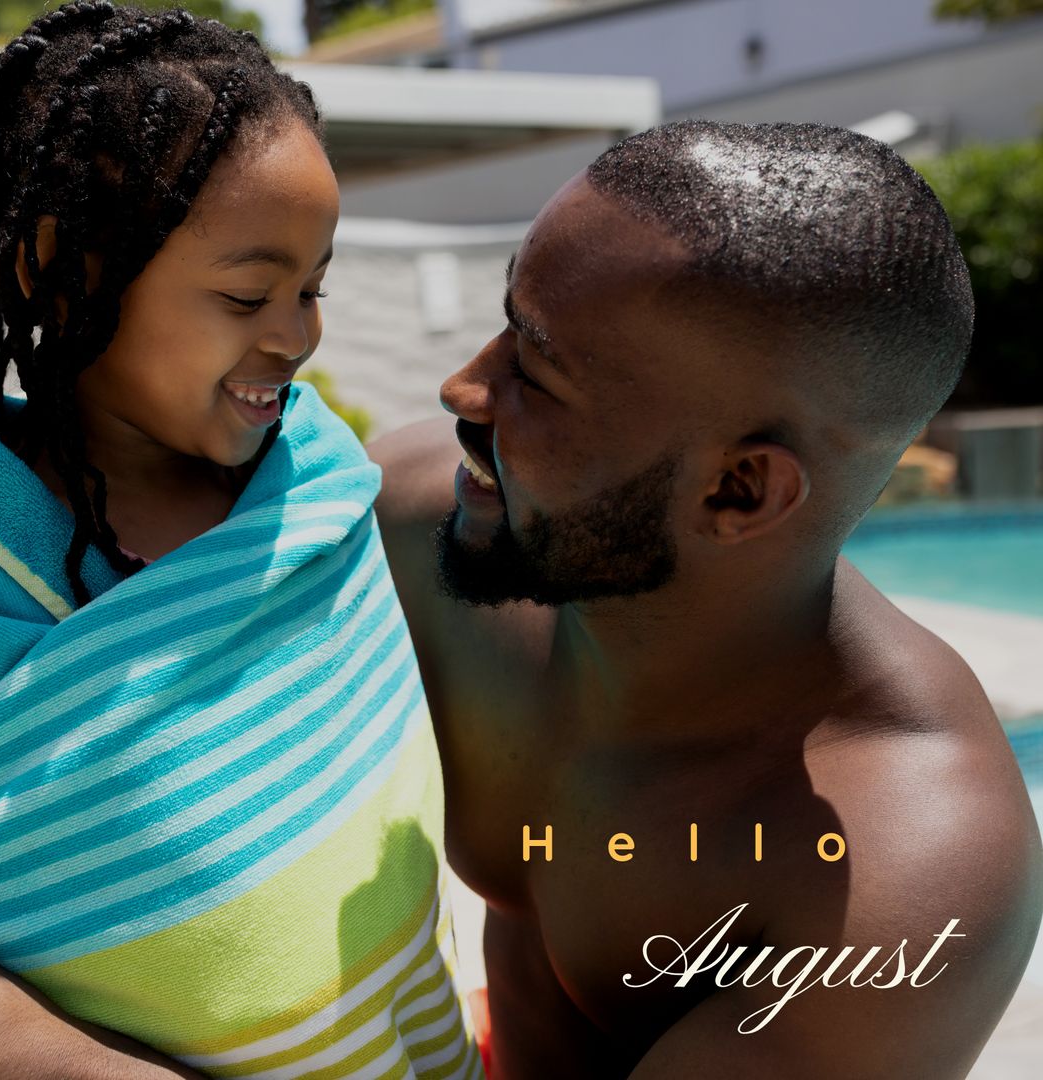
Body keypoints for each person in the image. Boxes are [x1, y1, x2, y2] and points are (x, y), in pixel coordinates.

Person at [369, 121, 1043, 1077]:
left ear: (739, 493)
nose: (463, 389)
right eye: (509, 320)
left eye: (538, 374)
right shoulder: (431, 526)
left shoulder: (903, 872)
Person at [0, 5, 480, 1079]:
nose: (297, 335)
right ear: (59, 264)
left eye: (313, 288)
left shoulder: (313, 486)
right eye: (249, 294)